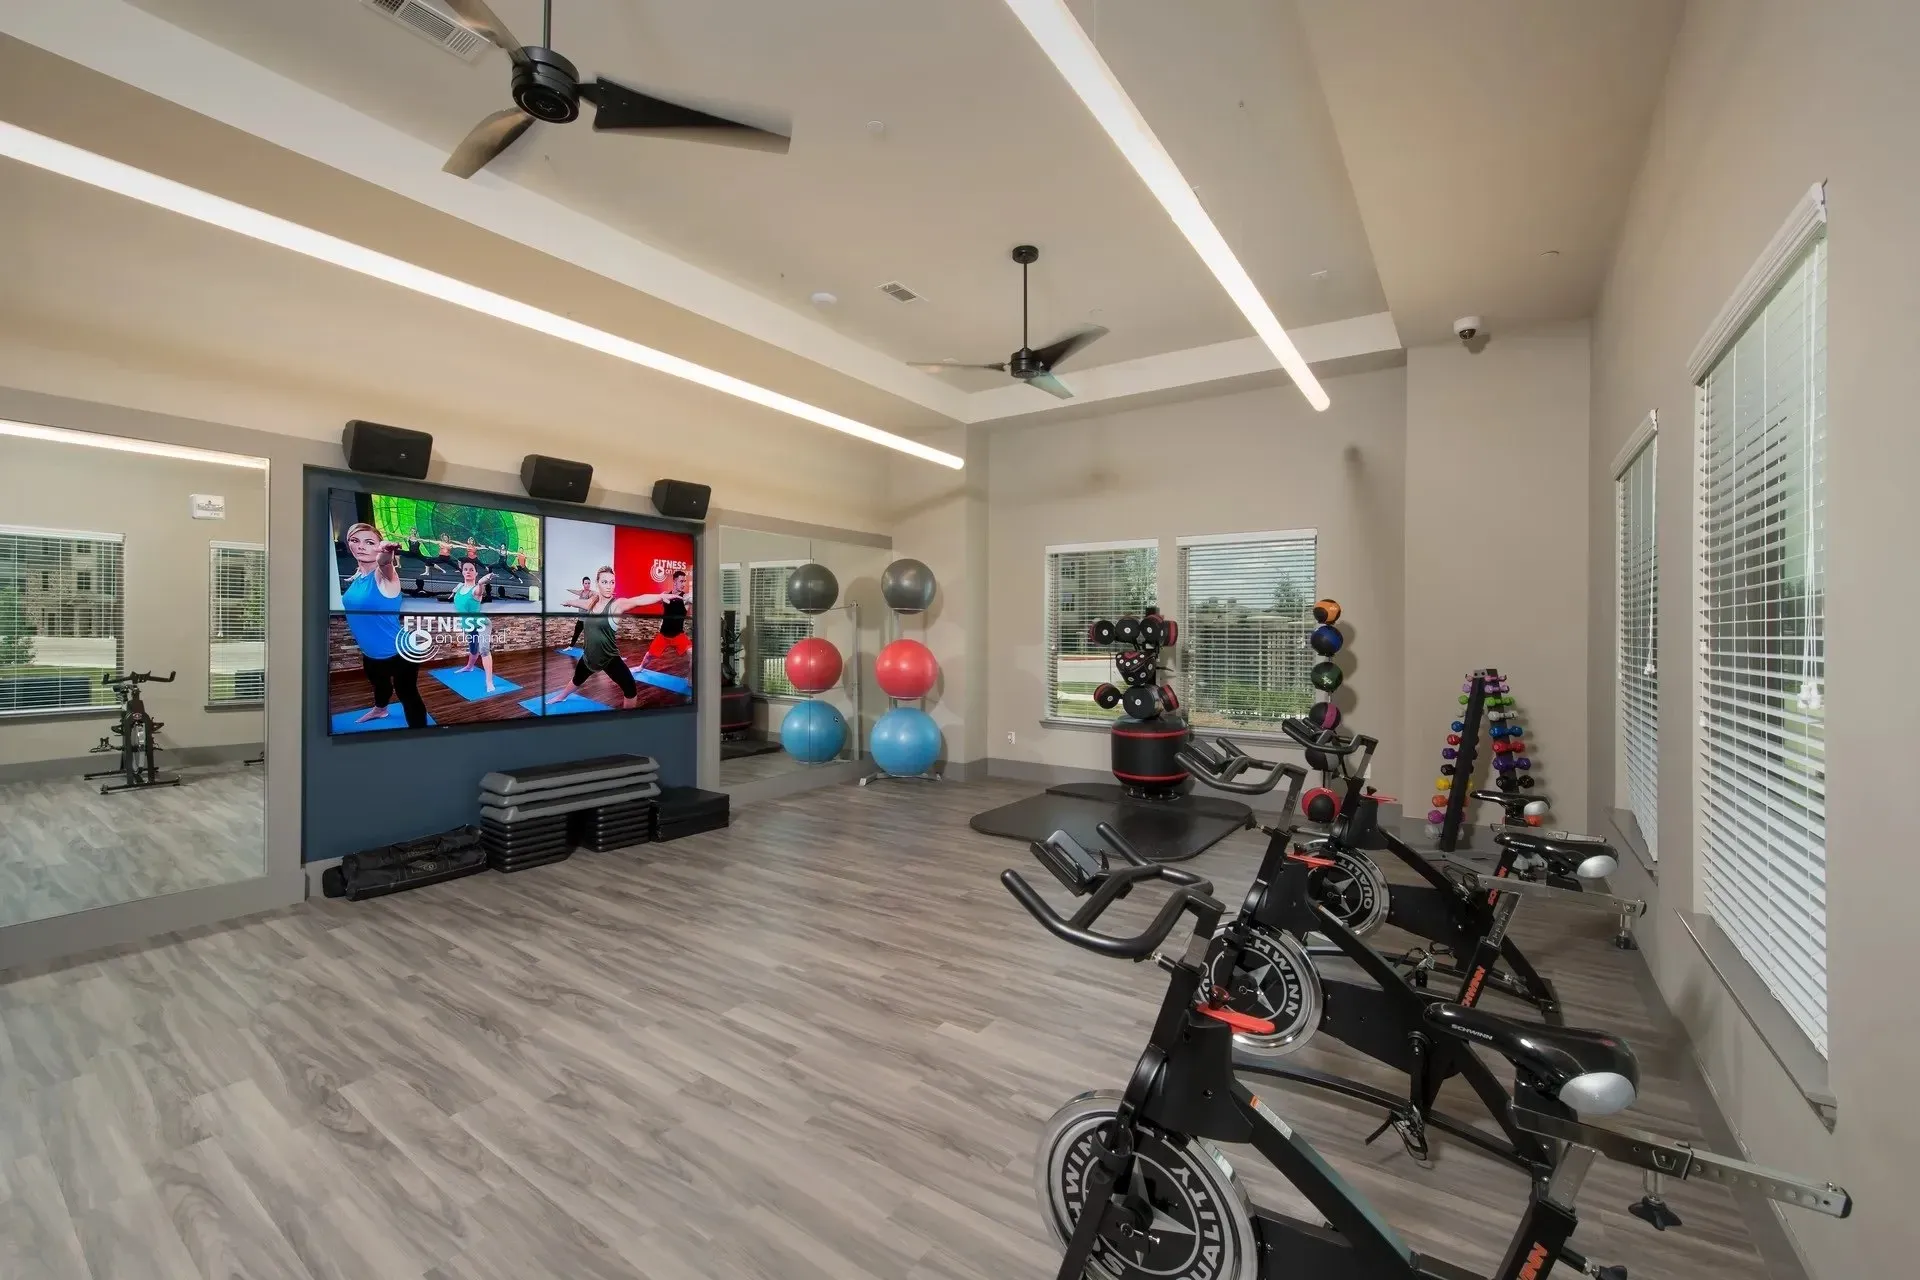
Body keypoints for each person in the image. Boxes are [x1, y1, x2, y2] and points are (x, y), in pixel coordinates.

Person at [339, 521, 429, 728]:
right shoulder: (358, 576)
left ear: (378, 546)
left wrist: (386, 556)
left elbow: (385, 564)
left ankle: (422, 738)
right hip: (370, 653)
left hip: (399, 653)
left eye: (369, 542)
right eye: (355, 540)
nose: (361, 546)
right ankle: (380, 710)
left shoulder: (385, 576)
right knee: (379, 686)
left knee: (407, 694)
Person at [547, 565, 669, 708]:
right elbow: (582, 603)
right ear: (597, 583)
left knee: (630, 689)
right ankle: (561, 697)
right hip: (588, 657)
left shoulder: (616, 605)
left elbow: (638, 600)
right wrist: (569, 602)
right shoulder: (593, 602)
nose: (609, 586)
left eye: (612, 582)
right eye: (605, 582)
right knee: (577, 679)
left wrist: (660, 596)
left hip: (609, 658)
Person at [635, 569, 692, 682]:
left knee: (693, 655)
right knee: (649, 655)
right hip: (664, 635)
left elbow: (691, 598)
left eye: (684, 581)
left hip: (678, 635)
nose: (683, 584)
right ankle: (641, 667)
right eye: (681, 581)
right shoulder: (665, 595)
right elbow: (653, 599)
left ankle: (690, 680)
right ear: (674, 581)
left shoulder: (685, 598)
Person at [452, 559, 497, 693]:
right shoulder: (459, 586)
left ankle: (489, 682)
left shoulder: (476, 589)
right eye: (465, 569)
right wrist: (453, 593)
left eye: (471, 569)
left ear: (476, 573)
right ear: (462, 572)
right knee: (473, 649)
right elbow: (456, 592)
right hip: (468, 624)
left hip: (482, 624)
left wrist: (482, 582)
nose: (468, 572)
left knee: (483, 650)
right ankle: (469, 667)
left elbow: (479, 589)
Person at [564, 576, 592, 649]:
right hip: (580, 619)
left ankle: (587, 649)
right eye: (586, 583)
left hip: (587, 620)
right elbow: (575, 592)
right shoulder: (581, 592)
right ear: (583, 584)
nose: (588, 585)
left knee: (588, 636)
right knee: (576, 633)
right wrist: (567, 589)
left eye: (589, 583)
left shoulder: (591, 593)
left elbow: (598, 595)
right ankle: (570, 646)